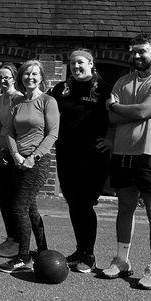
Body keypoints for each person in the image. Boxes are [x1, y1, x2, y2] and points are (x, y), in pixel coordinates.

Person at [102, 34, 151, 290]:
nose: (135, 56)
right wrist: (133, 111)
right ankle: (122, 260)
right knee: (125, 208)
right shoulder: (123, 81)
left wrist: (120, 108)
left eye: (141, 51)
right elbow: (111, 119)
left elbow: (144, 110)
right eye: (132, 51)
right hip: (123, 153)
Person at [50, 49, 113, 273]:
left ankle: (89, 254)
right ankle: (80, 249)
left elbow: (122, 117)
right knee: (73, 203)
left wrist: (112, 140)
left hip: (93, 157)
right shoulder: (61, 90)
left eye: (80, 63)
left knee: (85, 204)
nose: (76, 67)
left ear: (91, 64)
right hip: (67, 155)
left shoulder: (105, 90)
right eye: (72, 63)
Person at [0, 60, 60, 273]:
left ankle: (24, 257)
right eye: (26, 74)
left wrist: (33, 157)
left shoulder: (48, 101)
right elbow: (8, 130)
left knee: (18, 206)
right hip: (18, 160)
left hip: (38, 162)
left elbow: (53, 133)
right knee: (30, 208)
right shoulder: (18, 102)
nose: (29, 78)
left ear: (41, 77)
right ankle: (42, 251)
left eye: (34, 74)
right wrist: (15, 154)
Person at [0, 63, 23, 258]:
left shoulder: (19, 99)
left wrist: (9, 151)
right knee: (2, 197)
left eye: (7, 77)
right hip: (1, 154)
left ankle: (20, 240)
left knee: (15, 200)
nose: (3, 81)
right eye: (0, 78)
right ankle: (11, 237)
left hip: (14, 154)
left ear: (14, 78)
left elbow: (19, 130)